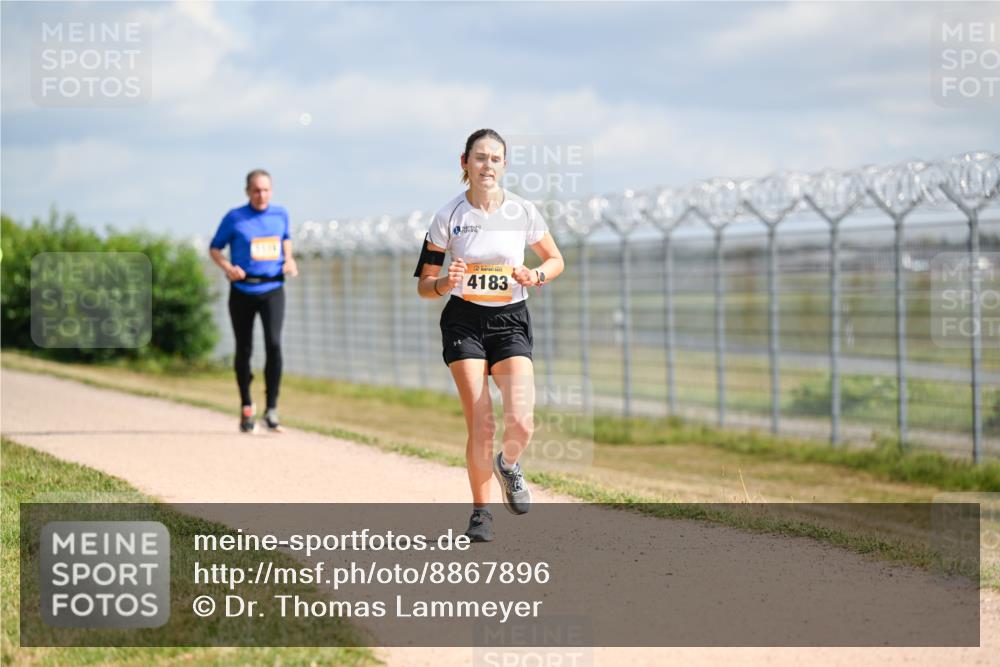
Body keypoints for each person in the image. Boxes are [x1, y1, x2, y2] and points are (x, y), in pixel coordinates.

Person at [414, 129, 565, 542]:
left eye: (495, 159)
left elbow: (555, 260)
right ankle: (481, 513)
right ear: (463, 163)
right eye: (479, 158)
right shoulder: (448, 217)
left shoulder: (522, 211)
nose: (487, 166)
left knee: (522, 422)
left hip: (511, 319)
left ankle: (509, 463)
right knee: (480, 424)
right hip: (464, 321)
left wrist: (534, 274)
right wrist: (446, 281)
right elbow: (424, 285)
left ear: (505, 165)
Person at [209, 169, 299, 433]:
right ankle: (246, 406)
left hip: (272, 289)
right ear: (247, 192)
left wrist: (289, 259)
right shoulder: (235, 218)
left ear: (272, 191)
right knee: (244, 349)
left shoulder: (280, 214)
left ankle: (272, 409)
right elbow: (215, 248)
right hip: (242, 291)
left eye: (266, 190)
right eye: (257, 190)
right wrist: (227, 267)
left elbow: (285, 239)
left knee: (273, 344)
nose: (262, 195)